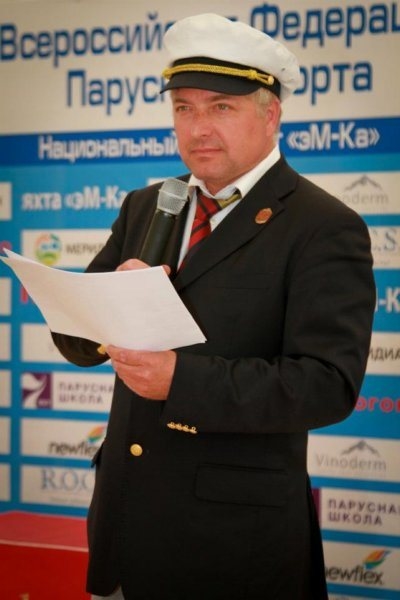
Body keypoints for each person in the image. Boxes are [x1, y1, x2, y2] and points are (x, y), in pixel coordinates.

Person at [51, 13, 375, 600]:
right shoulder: (148, 204)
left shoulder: (324, 226)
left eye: (221, 107)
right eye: (184, 108)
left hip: (234, 548)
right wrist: (105, 307)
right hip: (125, 531)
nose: (198, 128)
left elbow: (327, 384)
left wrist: (180, 381)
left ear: (270, 115)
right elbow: (76, 341)